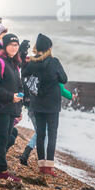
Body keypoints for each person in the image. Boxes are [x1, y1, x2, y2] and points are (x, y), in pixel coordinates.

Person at [22, 34, 68, 176]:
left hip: (37, 104)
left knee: (41, 134)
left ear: (38, 48)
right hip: (52, 105)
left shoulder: (33, 63)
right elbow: (64, 79)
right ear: (49, 48)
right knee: (52, 135)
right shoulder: (54, 62)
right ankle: (49, 167)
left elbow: (23, 74)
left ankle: (42, 165)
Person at [0, 33, 24, 181]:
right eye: (11, 44)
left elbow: (19, 87)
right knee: (2, 138)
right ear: (5, 46)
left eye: (16, 45)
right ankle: (1, 170)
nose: (13, 47)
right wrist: (10, 96)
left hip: (11, 109)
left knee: (5, 138)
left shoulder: (15, 64)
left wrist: (19, 107)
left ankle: (1, 168)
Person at [19, 82, 75, 166]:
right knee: (43, 132)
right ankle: (29, 155)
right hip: (39, 107)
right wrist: (70, 96)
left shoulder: (32, 71)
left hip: (31, 106)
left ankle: (28, 154)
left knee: (41, 132)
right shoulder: (50, 71)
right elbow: (60, 87)